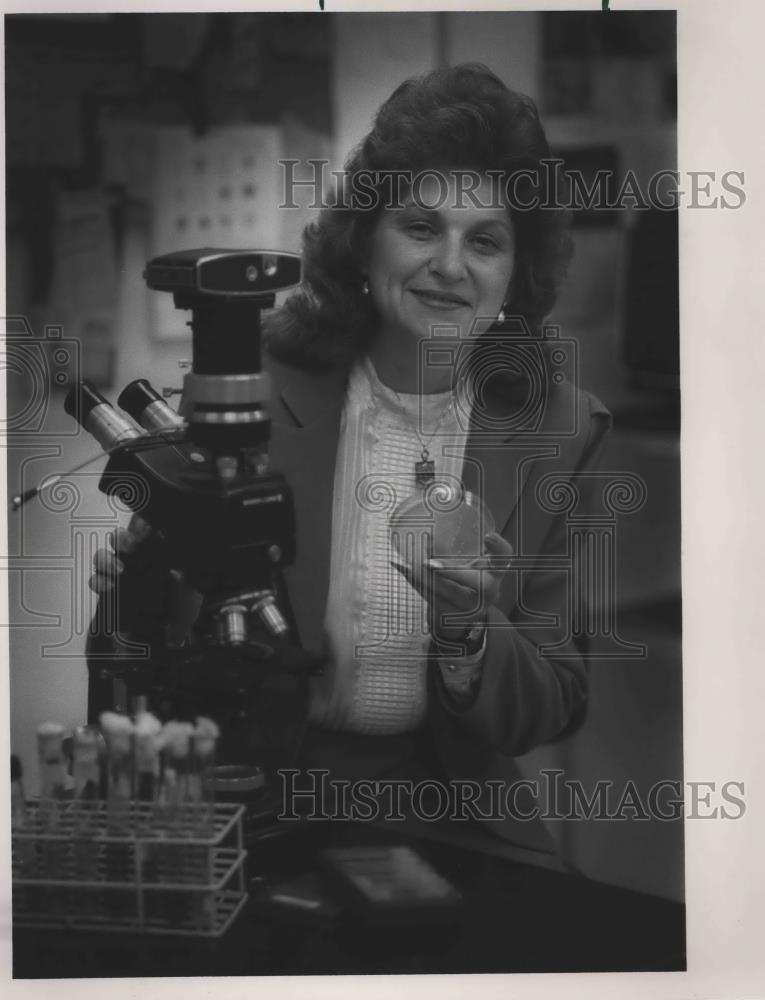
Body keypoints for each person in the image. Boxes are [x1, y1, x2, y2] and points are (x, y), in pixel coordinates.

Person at [90, 64, 611, 856]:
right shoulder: (249, 391)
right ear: (364, 241)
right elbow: (136, 655)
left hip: (451, 808)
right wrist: (140, 583)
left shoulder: (556, 429)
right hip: (255, 794)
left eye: (485, 241)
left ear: (515, 276)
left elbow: (551, 705)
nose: (449, 265)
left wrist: (470, 631)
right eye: (420, 227)